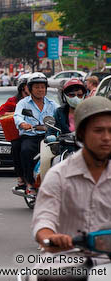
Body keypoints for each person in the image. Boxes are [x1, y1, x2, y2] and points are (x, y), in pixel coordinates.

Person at [32, 96, 111, 251]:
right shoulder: (59, 176)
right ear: (81, 133)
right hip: (68, 260)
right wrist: (51, 238)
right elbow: (44, 220)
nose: (107, 138)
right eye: (98, 131)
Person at [14, 73, 59, 196]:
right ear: (30, 89)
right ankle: (30, 183)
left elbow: (61, 115)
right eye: (37, 87)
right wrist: (23, 123)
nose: (40, 90)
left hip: (49, 137)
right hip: (31, 136)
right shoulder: (23, 103)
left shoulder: (52, 104)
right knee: (26, 150)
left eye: (42, 87)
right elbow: (17, 116)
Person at [0, 73, 31, 192]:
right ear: (23, 88)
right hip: (19, 134)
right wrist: (17, 118)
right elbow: (1, 114)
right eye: (30, 86)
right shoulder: (13, 102)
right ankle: (21, 177)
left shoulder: (41, 101)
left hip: (36, 133)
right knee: (18, 147)